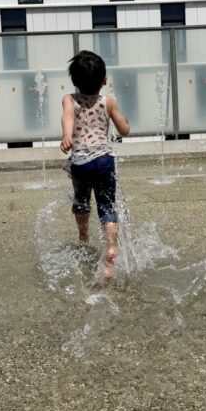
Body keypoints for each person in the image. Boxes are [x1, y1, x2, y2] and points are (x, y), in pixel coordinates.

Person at [60, 51, 130, 281]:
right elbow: (124, 130)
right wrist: (125, 122)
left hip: (80, 162)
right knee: (107, 206)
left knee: (81, 201)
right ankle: (110, 248)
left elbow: (68, 116)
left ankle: (83, 237)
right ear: (104, 80)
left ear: (74, 80)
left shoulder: (69, 100)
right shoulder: (108, 102)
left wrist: (67, 135)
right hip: (104, 160)